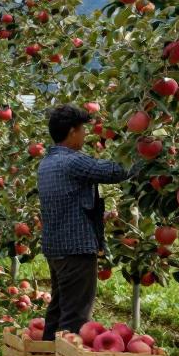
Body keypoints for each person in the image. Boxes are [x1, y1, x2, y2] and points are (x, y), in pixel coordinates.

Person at [38, 104, 131, 341]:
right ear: (72, 131)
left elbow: (67, 204)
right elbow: (113, 172)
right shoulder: (71, 162)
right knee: (75, 317)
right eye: (82, 130)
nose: (85, 135)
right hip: (76, 250)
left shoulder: (47, 163)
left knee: (58, 310)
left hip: (56, 248)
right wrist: (144, 156)